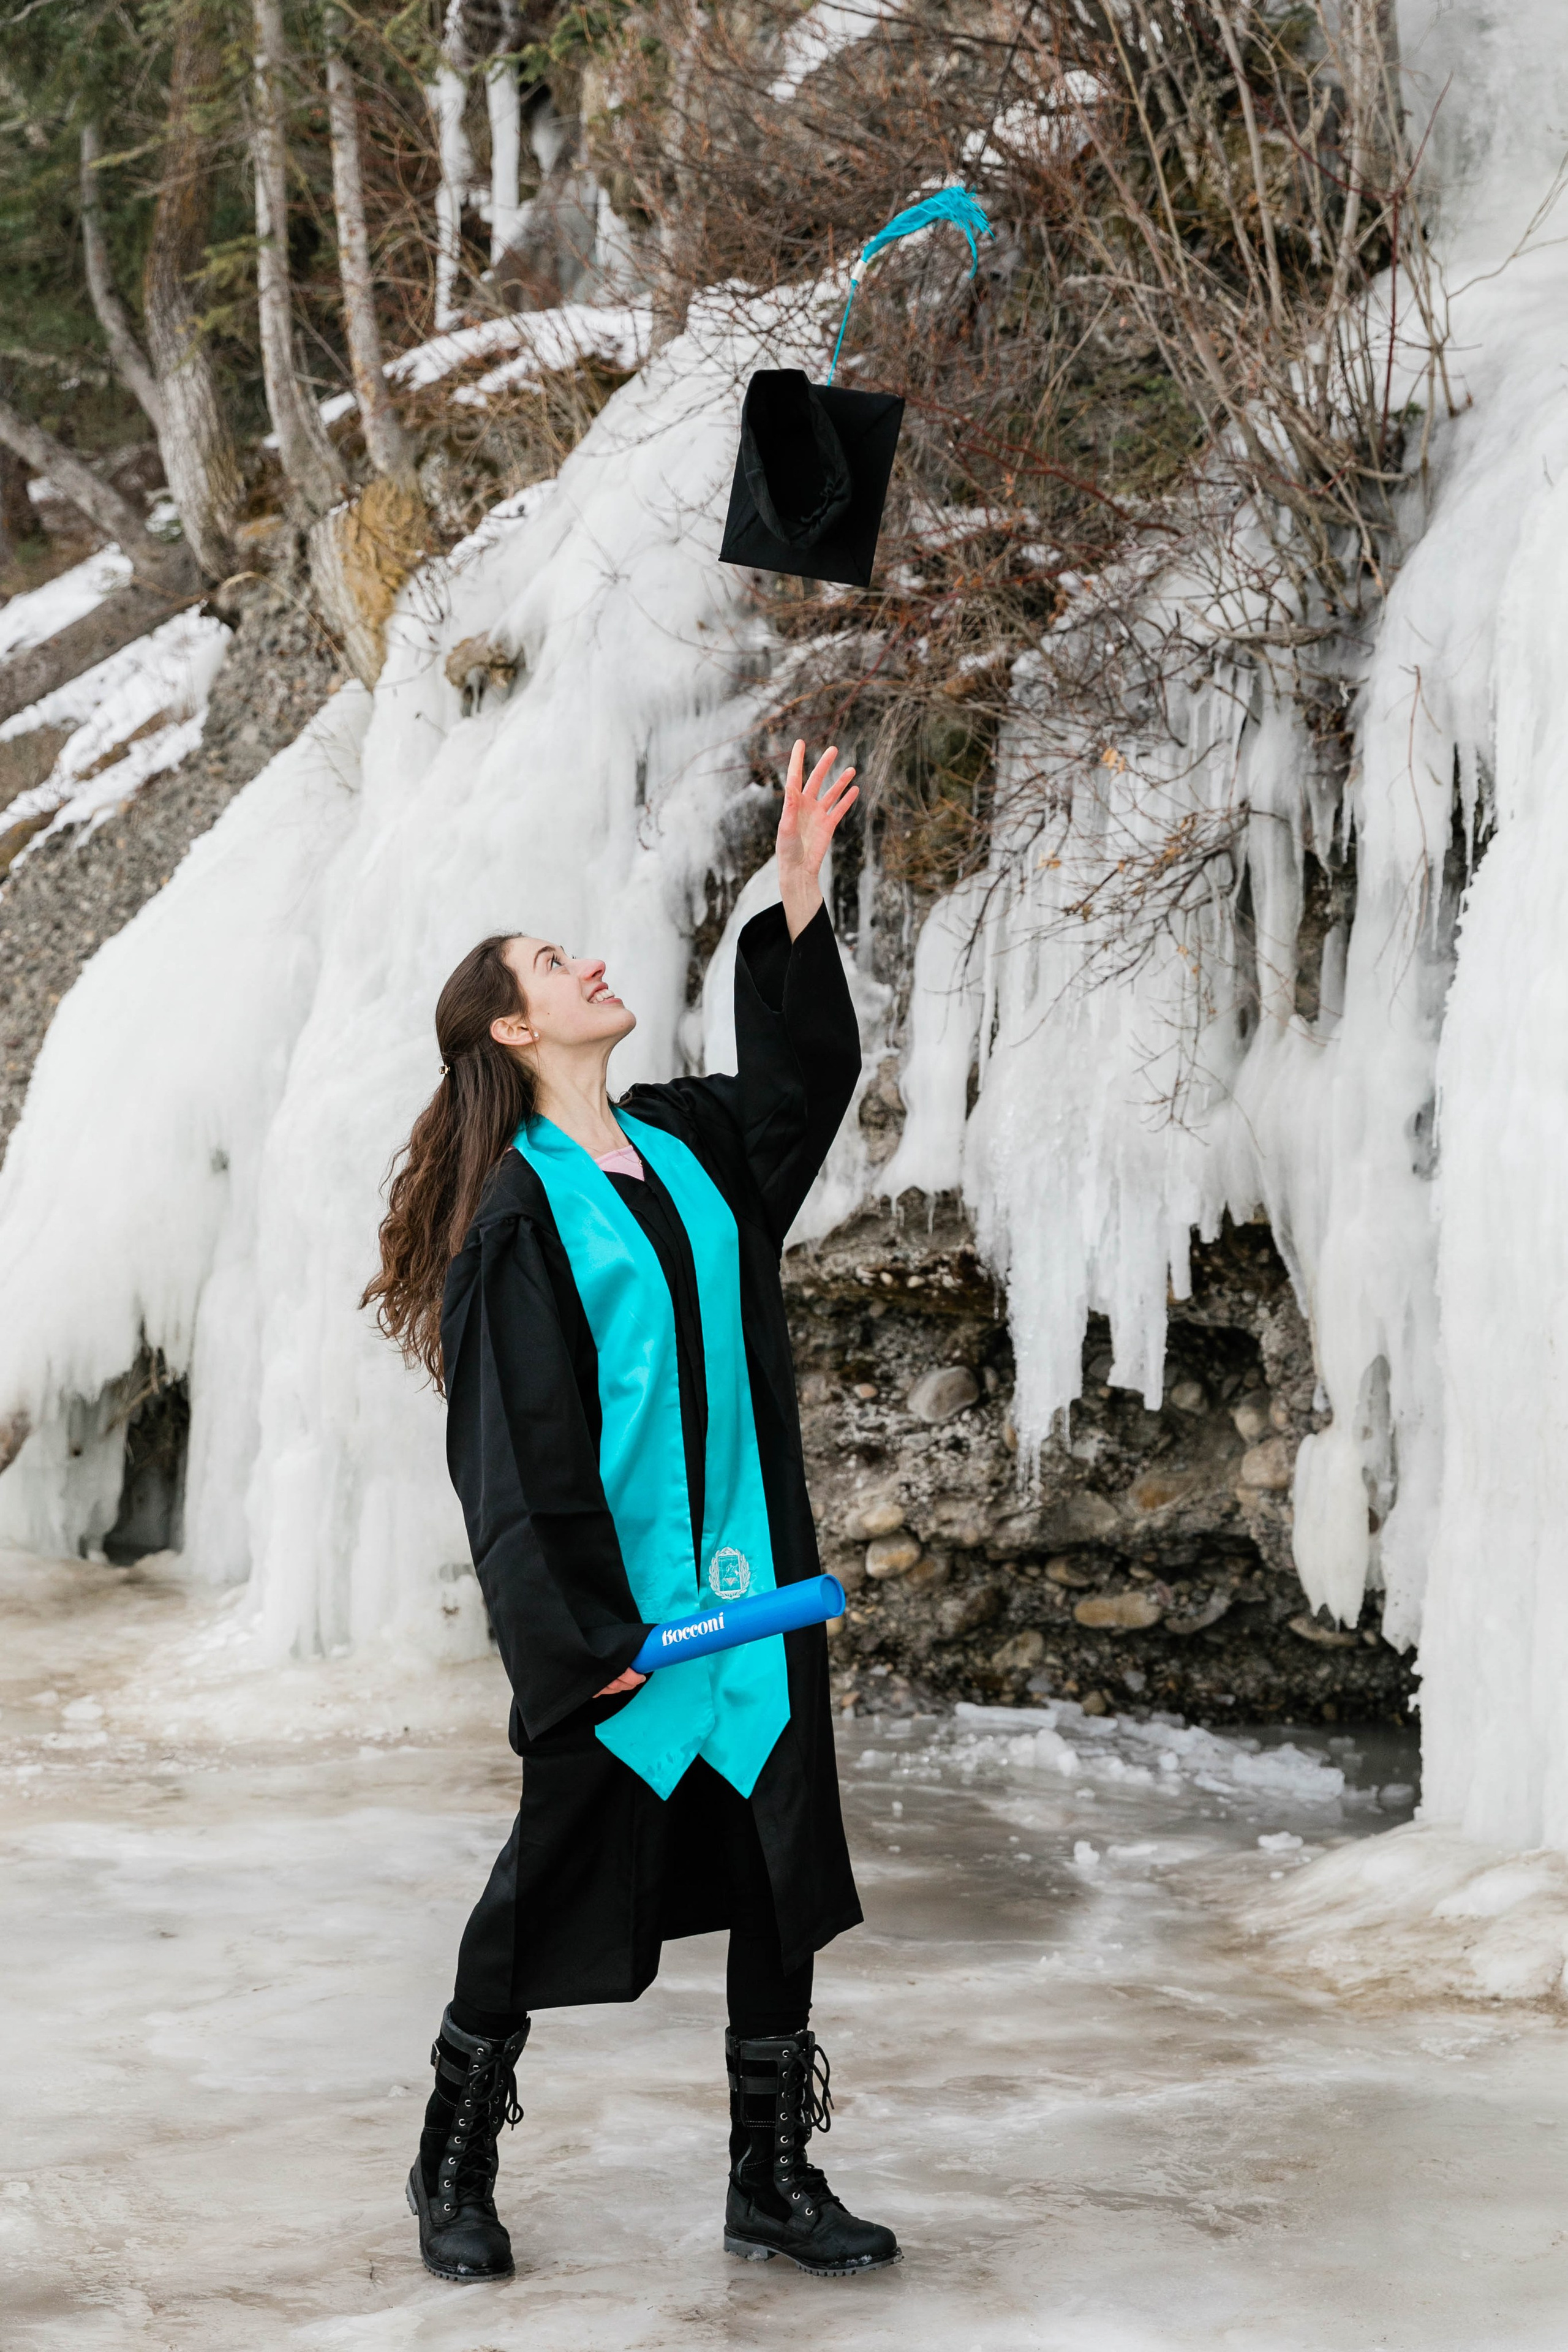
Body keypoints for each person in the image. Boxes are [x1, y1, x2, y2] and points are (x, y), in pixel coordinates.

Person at [363, 741, 900, 2286]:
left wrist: (795, 901)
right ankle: (450, 2157)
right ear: (514, 1028)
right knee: (544, 1888)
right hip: (628, 1627)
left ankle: (771, 2181)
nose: (591, 963)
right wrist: (577, 1639)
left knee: (778, 1883)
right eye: (553, 962)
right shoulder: (516, 1214)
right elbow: (510, 1456)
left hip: (756, 1592)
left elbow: (797, 1087)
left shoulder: (687, 1144)